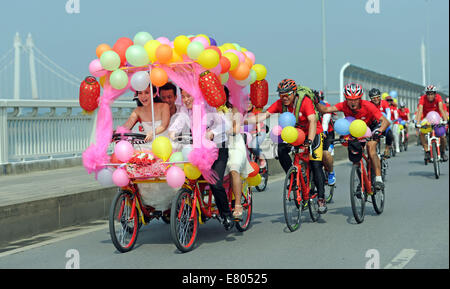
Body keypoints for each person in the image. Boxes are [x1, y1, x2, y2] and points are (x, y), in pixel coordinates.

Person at [246, 79, 328, 213]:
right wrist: (240, 120)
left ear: (294, 93)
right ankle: (292, 176)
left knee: (316, 164)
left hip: (313, 133)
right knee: (280, 149)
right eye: (281, 95)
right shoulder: (280, 104)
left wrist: (309, 140)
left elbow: (312, 121)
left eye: (287, 94)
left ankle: (321, 198)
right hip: (294, 134)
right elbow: (263, 116)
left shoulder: (304, 101)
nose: (284, 98)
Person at [168, 88, 234, 229]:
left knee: (215, 183)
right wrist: (172, 132)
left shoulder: (209, 106)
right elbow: (178, 123)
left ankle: (226, 214)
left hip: (217, 149)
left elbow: (226, 124)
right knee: (186, 181)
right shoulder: (186, 111)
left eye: (189, 96)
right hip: (196, 150)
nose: (186, 100)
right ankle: (191, 211)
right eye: (183, 96)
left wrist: (212, 132)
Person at [318, 83, 390, 191]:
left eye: (356, 99)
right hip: (355, 129)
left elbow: (385, 121)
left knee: (371, 148)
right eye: (350, 99)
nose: (352, 102)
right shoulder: (343, 105)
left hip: (372, 126)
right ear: (346, 98)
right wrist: (314, 101)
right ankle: (362, 183)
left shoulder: (368, 105)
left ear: (360, 98)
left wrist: (379, 131)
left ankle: (378, 178)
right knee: (356, 157)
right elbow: (325, 110)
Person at [223, 87, 254, 221]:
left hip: (235, 145)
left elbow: (236, 128)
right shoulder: (209, 110)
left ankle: (237, 205)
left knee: (234, 169)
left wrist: (226, 131)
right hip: (218, 146)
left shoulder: (233, 110)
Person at [415, 85, 448, 162]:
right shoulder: (422, 98)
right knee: (422, 133)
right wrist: (418, 122)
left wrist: (445, 120)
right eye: (428, 94)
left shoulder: (438, 97)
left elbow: (441, 108)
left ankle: (443, 152)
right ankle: (427, 151)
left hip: (437, 118)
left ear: (435, 94)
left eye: (432, 94)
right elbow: (420, 110)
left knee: (442, 136)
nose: (430, 96)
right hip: (427, 118)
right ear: (426, 94)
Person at [316, 90, 336, 186]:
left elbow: (326, 120)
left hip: (328, 133)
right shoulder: (308, 104)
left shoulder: (326, 105)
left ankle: (331, 172)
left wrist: (323, 131)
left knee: (326, 153)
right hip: (315, 132)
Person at [368, 88, 394, 158]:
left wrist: (388, 121)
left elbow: (388, 112)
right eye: (373, 98)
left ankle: (387, 149)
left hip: (383, 124)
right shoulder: (369, 104)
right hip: (373, 124)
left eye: (377, 97)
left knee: (389, 133)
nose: (376, 99)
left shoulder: (384, 103)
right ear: (370, 98)